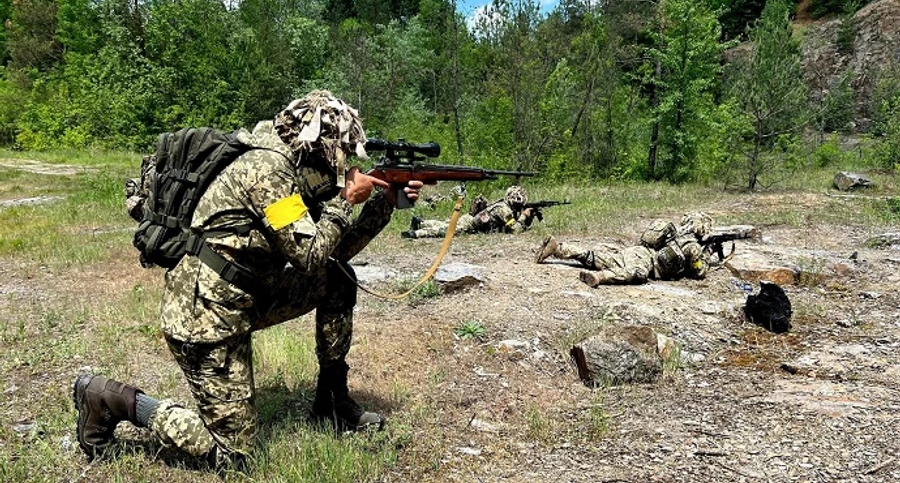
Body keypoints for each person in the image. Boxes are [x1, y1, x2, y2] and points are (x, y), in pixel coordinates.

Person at [73, 90, 423, 468]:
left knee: (337, 279)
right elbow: (308, 256)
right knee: (234, 457)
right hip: (205, 316)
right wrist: (344, 202)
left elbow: (330, 255)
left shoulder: (288, 167)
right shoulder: (267, 170)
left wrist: (383, 204)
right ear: (320, 144)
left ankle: (333, 403)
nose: (342, 163)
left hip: (245, 295)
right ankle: (111, 400)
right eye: (340, 150)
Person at [535, 212, 713, 287]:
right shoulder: (693, 247)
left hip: (636, 251)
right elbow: (698, 272)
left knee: (597, 258)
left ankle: (558, 248)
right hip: (645, 262)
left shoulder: (676, 233)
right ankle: (600, 277)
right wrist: (707, 254)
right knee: (636, 273)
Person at [402, 186, 537, 239]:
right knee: (446, 231)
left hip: (470, 219)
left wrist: (527, 217)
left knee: (446, 224)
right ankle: (415, 233)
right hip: (471, 225)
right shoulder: (505, 210)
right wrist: (525, 216)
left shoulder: (502, 205)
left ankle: (420, 223)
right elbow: (514, 230)